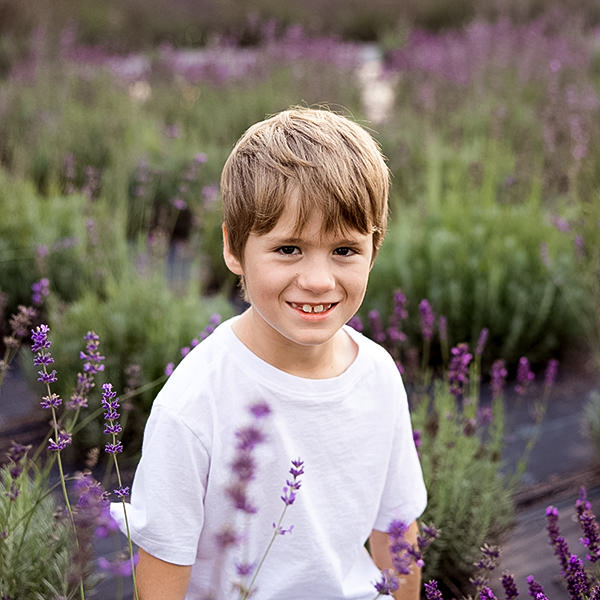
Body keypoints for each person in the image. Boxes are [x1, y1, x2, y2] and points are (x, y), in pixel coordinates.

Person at [111, 107, 427, 600]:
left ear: (375, 248)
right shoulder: (195, 402)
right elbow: (163, 570)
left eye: (344, 250)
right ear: (234, 249)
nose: (319, 280)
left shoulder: (378, 374)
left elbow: (398, 530)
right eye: (288, 249)